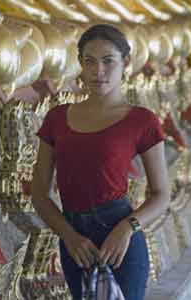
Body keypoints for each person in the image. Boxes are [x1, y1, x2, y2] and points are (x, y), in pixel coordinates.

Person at [31, 24, 170, 300]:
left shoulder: (142, 120)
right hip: (74, 244)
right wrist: (69, 237)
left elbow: (162, 194)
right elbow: (39, 195)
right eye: (90, 62)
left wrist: (127, 229)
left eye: (108, 61)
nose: (99, 71)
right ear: (80, 65)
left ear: (125, 63)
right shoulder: (57, 119)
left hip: (119, 240)